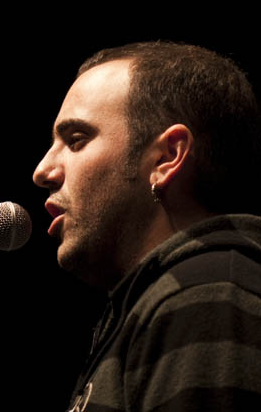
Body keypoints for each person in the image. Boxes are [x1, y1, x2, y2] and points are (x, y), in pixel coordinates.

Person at [33, 41, 261, 411]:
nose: (42, 171)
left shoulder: (205, 296)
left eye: (76, 141)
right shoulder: (158, 303)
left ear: (167, 157)